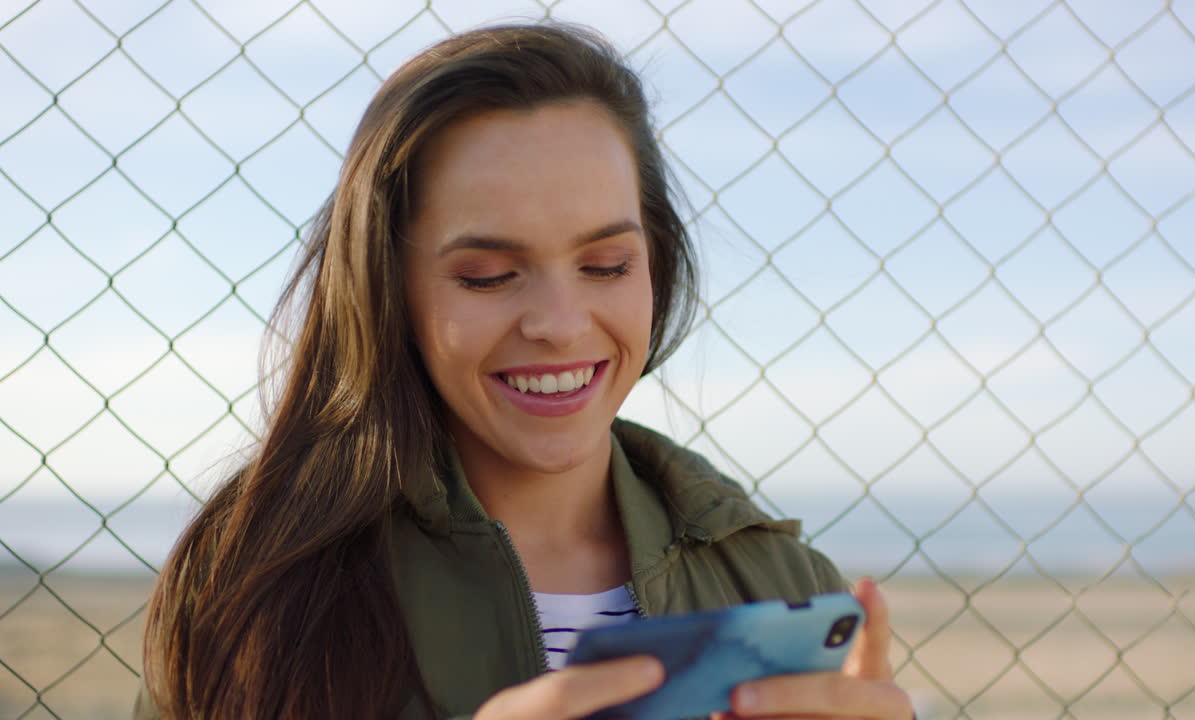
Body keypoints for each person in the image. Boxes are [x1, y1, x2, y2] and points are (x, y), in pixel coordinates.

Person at [135, 22, 914, 720]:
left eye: (606, 265)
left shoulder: (778, 582)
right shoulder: (251, 581)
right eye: (487, 275)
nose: (560, 325)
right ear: (387, 290)